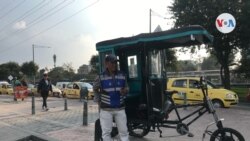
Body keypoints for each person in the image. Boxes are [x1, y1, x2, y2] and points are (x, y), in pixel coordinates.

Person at [93, 54, 129, 141]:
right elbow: (95, 88)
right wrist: (98, 101)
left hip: (120, 108)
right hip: (106, 110)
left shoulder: (122, 75)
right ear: (106, 64)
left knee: (124, 132)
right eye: (112, 63)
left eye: (115, 63)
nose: (114, 65)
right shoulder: (100, 77)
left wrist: (125, 91)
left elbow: (127, 87)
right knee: (106, 133)